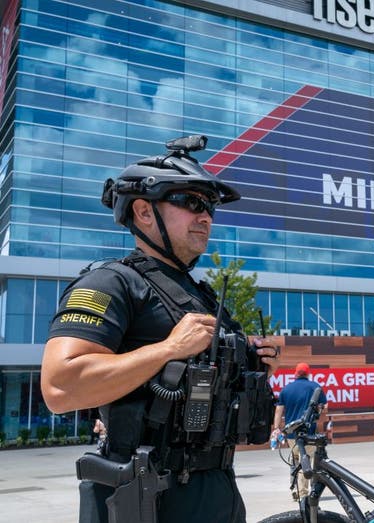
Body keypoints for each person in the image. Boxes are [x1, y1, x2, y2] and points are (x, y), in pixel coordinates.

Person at [40, 135, 280, 523]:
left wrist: (250, 364)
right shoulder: (109, 283)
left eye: (210, 208)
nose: (205, 216)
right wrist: (168, 349)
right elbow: (61, 387)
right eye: (191, 202)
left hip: (216, 490)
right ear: (144, 211)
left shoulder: (199, 295)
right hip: (148, 496)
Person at [273, 362, 327, 500]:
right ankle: (303, 493)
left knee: (295, 460)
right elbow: (324, 407)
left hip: (291, 433)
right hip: (308, 432)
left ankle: (295, 489)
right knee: (305, 460)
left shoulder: (286, 389)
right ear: (308, 373)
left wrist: (276, 429)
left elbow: (279, 410)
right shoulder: (315, 387)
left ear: (296, 373)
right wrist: (320, 425)